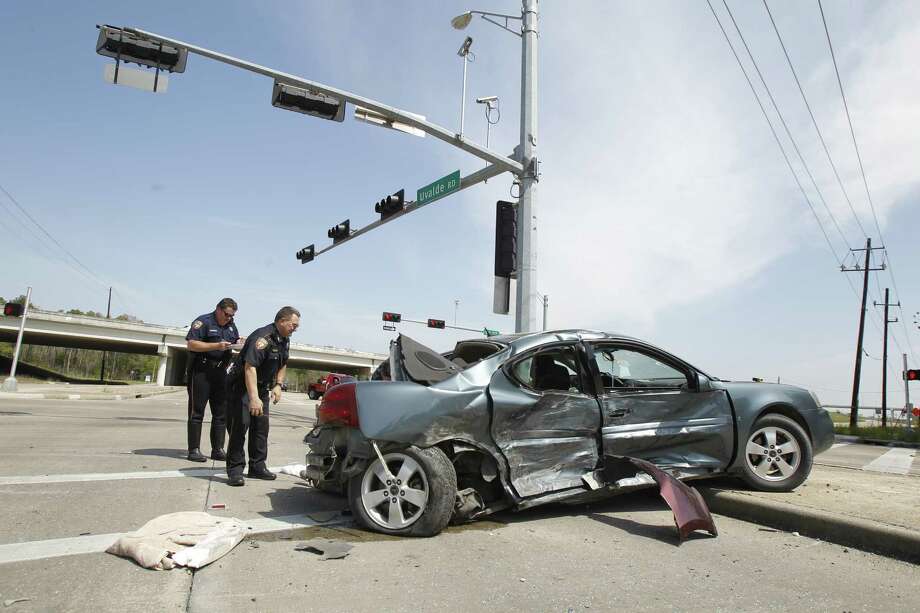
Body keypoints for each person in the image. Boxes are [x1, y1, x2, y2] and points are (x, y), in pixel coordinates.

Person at [225, 306, 300, 486]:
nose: (295, 329)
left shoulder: (284, 339)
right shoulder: (263, 338)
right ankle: (235, 470)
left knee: (261, 429)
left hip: (263, 388)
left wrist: (278, 385)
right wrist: (253, 398)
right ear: (282, 321)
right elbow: (249, 368)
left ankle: (257, 467)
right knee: (240, 428)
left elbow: (283, 363)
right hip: (243, 387)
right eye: (293, 325)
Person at [185, 298, 241, 463]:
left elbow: (234, 340)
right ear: (218, 309)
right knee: (197, 412)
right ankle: (194, 450)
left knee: (220, 414)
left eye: (232, 315)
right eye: (227, 314)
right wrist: (215, 346)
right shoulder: (203, 322)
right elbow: (191, 344)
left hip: (221, 372)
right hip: (201, 371)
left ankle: (218, 449)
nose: (229, 318)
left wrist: (238, 342)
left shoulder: (231, 325)